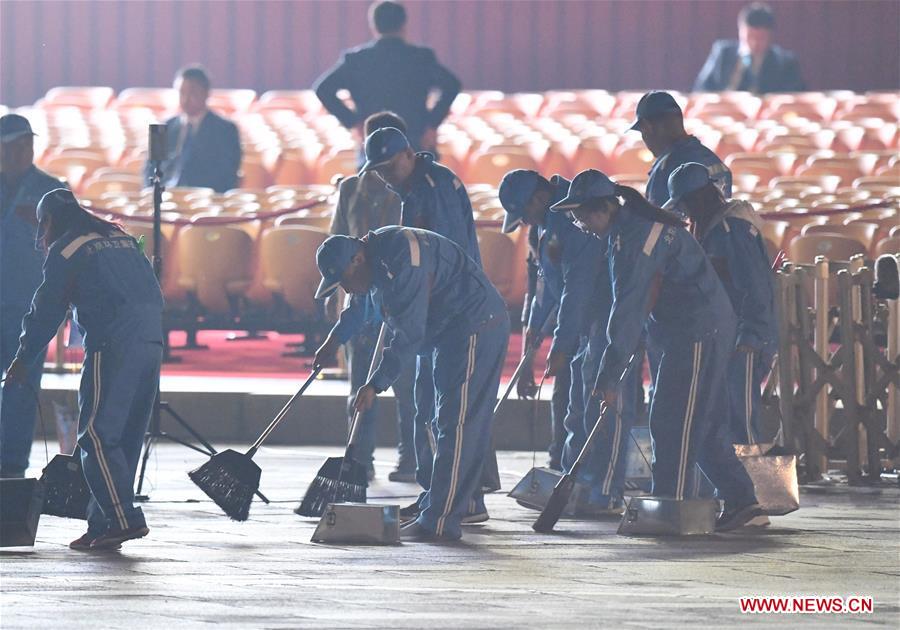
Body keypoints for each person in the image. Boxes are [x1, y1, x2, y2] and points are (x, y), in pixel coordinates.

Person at [552, 169, 763, 531]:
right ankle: (744, 502)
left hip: (699, 330)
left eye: (580, 214)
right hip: (680, 332)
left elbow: (627, 306)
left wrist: (609, 372)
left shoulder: (637, 237)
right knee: (701, 423)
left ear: (601, 209)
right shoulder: (625, 231)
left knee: (674, 421)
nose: (578, 223)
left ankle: (670, 506)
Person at [313, 227, 510, 541]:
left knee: (455, 424)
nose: (348, 288)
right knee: (429, 419)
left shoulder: (404, 259)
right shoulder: (369, 265)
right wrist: (334, 341)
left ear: (358, 260)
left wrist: (375, 384)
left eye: (346, 280)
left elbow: (408, 334)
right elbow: (360, 304)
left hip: (472, 327)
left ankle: (441, 519)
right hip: (442, 334)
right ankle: (447, 501)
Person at [4, 189, 164, 549]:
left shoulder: (68, 248)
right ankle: (102, 523)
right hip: (152, 339)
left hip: (113, 342)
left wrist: (23, 359)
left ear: (49, 221)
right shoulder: (120, 239)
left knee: (94, 434)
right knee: (122, 436)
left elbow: (46, 308)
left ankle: (124, 519)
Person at [360, 125, 483, 518]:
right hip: (436, 308)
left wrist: (408, 305)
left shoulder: (434, 188)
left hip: (448, 309)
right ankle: (445, 496)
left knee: (439, 409)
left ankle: (454, 500)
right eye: (377, 169)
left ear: (408, 155)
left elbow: (438, 258)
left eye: (388, 166)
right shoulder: (416, 188)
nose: (383, 176)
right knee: (432, 407)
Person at [499, 169, 629, 512]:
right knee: (575, 403)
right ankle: (575, 480)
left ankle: (605, 488)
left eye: (524, 213)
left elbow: (577, 287)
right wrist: (532, 330)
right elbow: (542, 285)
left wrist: (560, 344)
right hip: (582, 323)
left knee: (597, 401)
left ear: (538, 199)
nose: (524, 221)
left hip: (604, 316)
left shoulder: (571, 219)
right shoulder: (542, 227)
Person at [328, 111, 416, 482]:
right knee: (359, 383)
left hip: (400, 295)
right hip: (361, 295)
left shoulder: (411, 189)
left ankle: (411, 457)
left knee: (407, 385)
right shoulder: (351, 188)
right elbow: (335, 239)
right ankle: (359, 458)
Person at [665, 163, 778, 446]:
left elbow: (756, 286)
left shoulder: (732, 230)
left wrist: (752, 334)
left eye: (687, 204)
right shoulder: (712, 227)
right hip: (725, 334)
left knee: (741, 416)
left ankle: (751, 484)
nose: (686, 212)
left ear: (700, 198)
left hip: (744, 337)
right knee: (726, 414)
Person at [0, 113, 67, 478]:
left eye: (27, 143)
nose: (21, 151)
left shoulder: (51, 191)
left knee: (21, 384)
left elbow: (70, 247)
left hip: (30, 304)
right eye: (12, 145)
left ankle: (12, 462)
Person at [314, 1, 461, 154]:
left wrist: (353, 123)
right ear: (404, 24)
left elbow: (322, 89)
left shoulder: (356, 60)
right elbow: (452, 85)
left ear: (373, 26)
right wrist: (432, 124)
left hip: (374, 140)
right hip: (416, 139)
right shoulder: (421, 58)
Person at [144, 65, 242, 193]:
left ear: (206, 93)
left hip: (206, 200)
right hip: (166, 197)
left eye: (192, 92)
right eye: (182, 92)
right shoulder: (162, 128)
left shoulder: (226, 130)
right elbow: (149, 171)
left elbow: (227, 175)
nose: (186, 99)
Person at [630, 91, 732, 209]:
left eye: (642, 132)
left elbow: (658, 223)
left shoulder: (664, 170)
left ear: (647, 127)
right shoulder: (712, 159)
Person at [694, 2, 805, 94]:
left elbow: (794, 97)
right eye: (749, 36)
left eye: (761, 38)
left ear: (771, 36)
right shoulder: (723, 53)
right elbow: (700, 89)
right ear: (740, 30)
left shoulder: (785, 62)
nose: (754, 43)